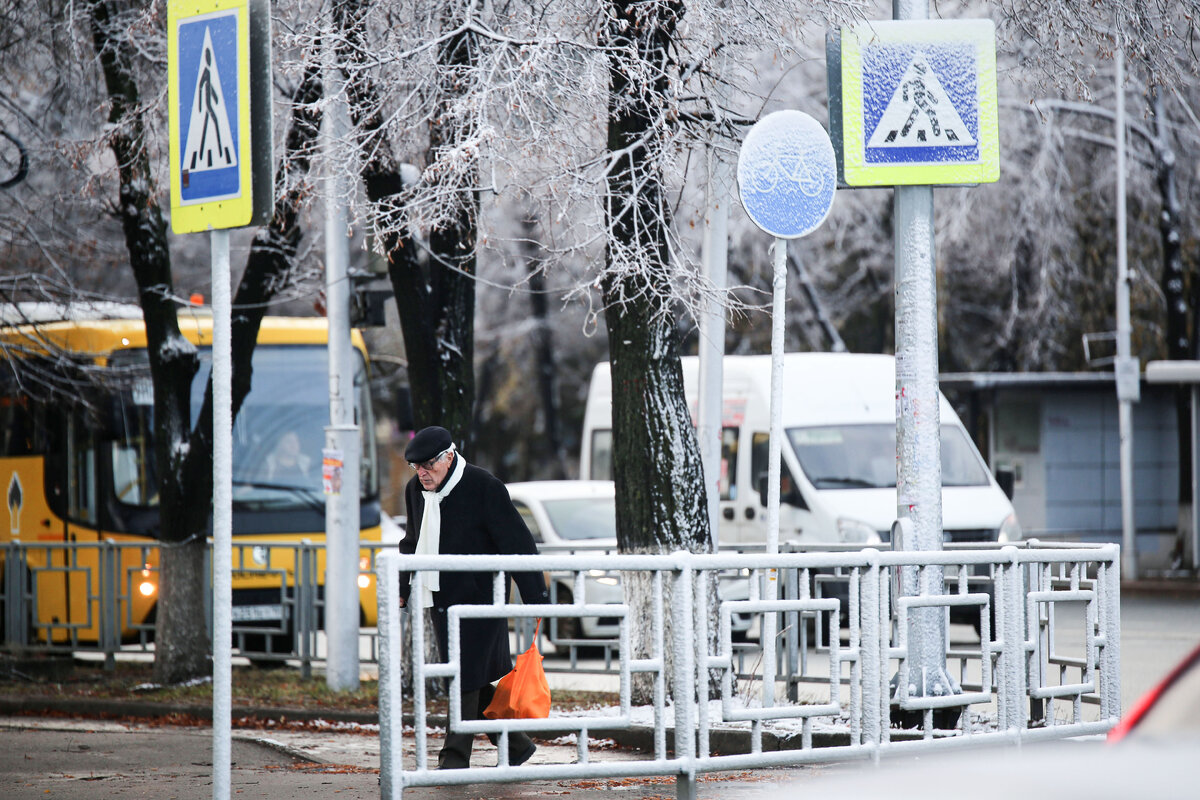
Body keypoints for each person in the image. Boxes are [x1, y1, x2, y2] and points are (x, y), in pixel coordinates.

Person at [397, 426, 549, 769]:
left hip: (481, 601)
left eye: (428, 465)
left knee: (463, 674)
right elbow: (411, 541)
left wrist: (535, 594)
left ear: (449, 457)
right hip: (439, 600)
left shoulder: (484, 486)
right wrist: (403, 587)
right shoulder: (415, 490)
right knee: (472, 676)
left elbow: (517, 542)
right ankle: (515, 744)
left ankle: (453, 759)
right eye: (416, 467)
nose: (422, 473)